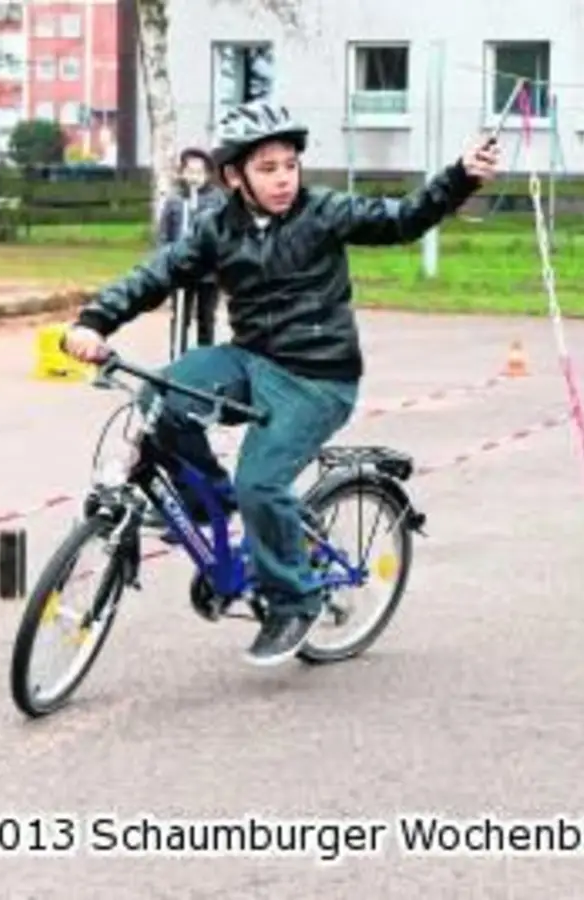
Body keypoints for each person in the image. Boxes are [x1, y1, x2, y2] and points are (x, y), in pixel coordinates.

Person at [60, 100, 500, 667]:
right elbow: (159, 273)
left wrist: (460, 176)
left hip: (317, 378)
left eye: (289, 164)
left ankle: (294, 598)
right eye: (267, 168)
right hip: (250, 360)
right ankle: (211, 502)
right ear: (234, 177)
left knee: (262, 483)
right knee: (158, 399)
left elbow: (403, 218)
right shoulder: (217, 226)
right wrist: (95, 321)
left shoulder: (324, 212)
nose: (283, 178)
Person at [156, 148, 227, 349]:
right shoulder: (175, 200)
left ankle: (204, 361)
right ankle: (177, 356)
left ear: (206, 174)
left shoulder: (217, 199)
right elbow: (164, 234)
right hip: (181, 269)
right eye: (190, 171)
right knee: (180, 318)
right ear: (183, 173)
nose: (194, 177)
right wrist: (166, 261)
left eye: (199, 172)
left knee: (206, 318)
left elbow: (224, 234)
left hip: (208, 272)